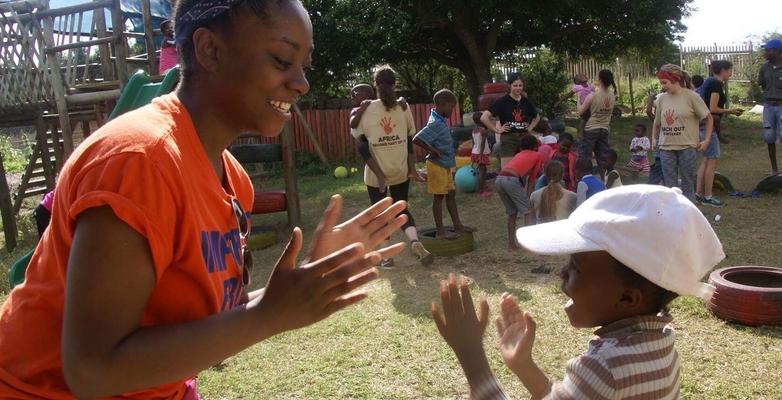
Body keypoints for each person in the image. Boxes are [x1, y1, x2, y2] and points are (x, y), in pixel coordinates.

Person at [0, 2, 411, 398]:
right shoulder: (140, 161)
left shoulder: (233, 179)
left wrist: (298, 285)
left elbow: (201, 326)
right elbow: (91, 370)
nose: (302, 82)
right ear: (210, 49)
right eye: (283, 61)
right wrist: (265, 316)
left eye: (305, 66)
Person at [432, 185, 725, 400]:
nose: (562, 273)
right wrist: (522, 364)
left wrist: (471, 355)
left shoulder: (606, 370)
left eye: (576, 268)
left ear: (627, 298)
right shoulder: (658, 346)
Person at [352, 65, 433, 268]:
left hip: (376, 173)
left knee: (380, 216)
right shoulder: (403, 108)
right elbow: (408, 140)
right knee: (400, 208)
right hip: (400, 170)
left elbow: (357, 136)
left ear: (375, 86)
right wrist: (412, 168)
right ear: (395, 84)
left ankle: (386, 258)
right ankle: (415, 241)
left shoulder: (367, 109)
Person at [413, 89, 475, 240]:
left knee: (451, 194)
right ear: (441, 105)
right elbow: (416, 139)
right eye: (451, 107)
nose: (452, 110)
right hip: (437, 165)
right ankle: (440, 232)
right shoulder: (435, 123)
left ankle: (457, 225)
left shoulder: (440, 120)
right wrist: (432, 150)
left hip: (446, 164)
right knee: (439, 197)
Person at [652, 64, 714, 203]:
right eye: (661, 83)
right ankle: (672, 215)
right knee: (670, 186)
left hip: (687, 146)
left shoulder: (692, 96)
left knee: (687, 183)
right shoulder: (661, 98)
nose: (663, 86)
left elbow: (709, 118)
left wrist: (707, 140)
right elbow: (657, 123)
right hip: (666, 147)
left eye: (664, 82)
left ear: (675, 79)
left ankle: (689, 214)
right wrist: (654, 139)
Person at [696, 60, 743, 207]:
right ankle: (708, 196)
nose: (731, 73)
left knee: (706, 160)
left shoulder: (708, 82)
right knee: (712, 161)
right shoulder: (716, 84)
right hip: (708, 125)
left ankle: (698, 194)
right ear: (723, 70)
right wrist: (731, 111)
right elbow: (713, 108)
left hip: (702, 124)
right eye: (730, 70)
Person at [480, 73, 540, 167]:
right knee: (507, 170)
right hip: (509, 139)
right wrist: (497, 130)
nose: (518, 88)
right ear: (510, 86)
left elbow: (537, 117)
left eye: (520, 85)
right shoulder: (503, 101)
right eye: (515, 85)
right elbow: (484, 117)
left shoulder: (526, 101)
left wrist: (530, 128)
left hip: (524, 138)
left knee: (524, 168)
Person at [494, 134, 542, 249]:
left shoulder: (519, 154)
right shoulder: (537, 155)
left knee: (512, 213)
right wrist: (529, 198)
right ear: (536, 146)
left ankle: (511, 244)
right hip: (511, 180)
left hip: (499, 179)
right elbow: (531, 181)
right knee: (528, 211)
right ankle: (529, 243)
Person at [577, 69, 616, 161]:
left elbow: (580, 112)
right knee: (603, 158)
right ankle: (604, 174)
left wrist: (578, 98)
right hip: (605, 129)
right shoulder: (612, 95)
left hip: (591, 129)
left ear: (600, 80)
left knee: (585, 157)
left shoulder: (592, 96)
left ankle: (586, 174)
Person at [759, 38, 782, 175]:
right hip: (768, 106)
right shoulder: (764, 68)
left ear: (777, 51)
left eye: (768, 50)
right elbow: (761, 83)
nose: (765, 52)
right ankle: (774, 169)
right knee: (769, 137)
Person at [470, 112, 493, 197]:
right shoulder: (483, 131)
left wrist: (473, 154)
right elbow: (482, 143)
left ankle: (484, 186)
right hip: (481, 153)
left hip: (475, 152)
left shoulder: (474, 130)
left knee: (484, 170)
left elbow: (473, 143)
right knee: (482, 172)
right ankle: (481, 191)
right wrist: (480, 155)